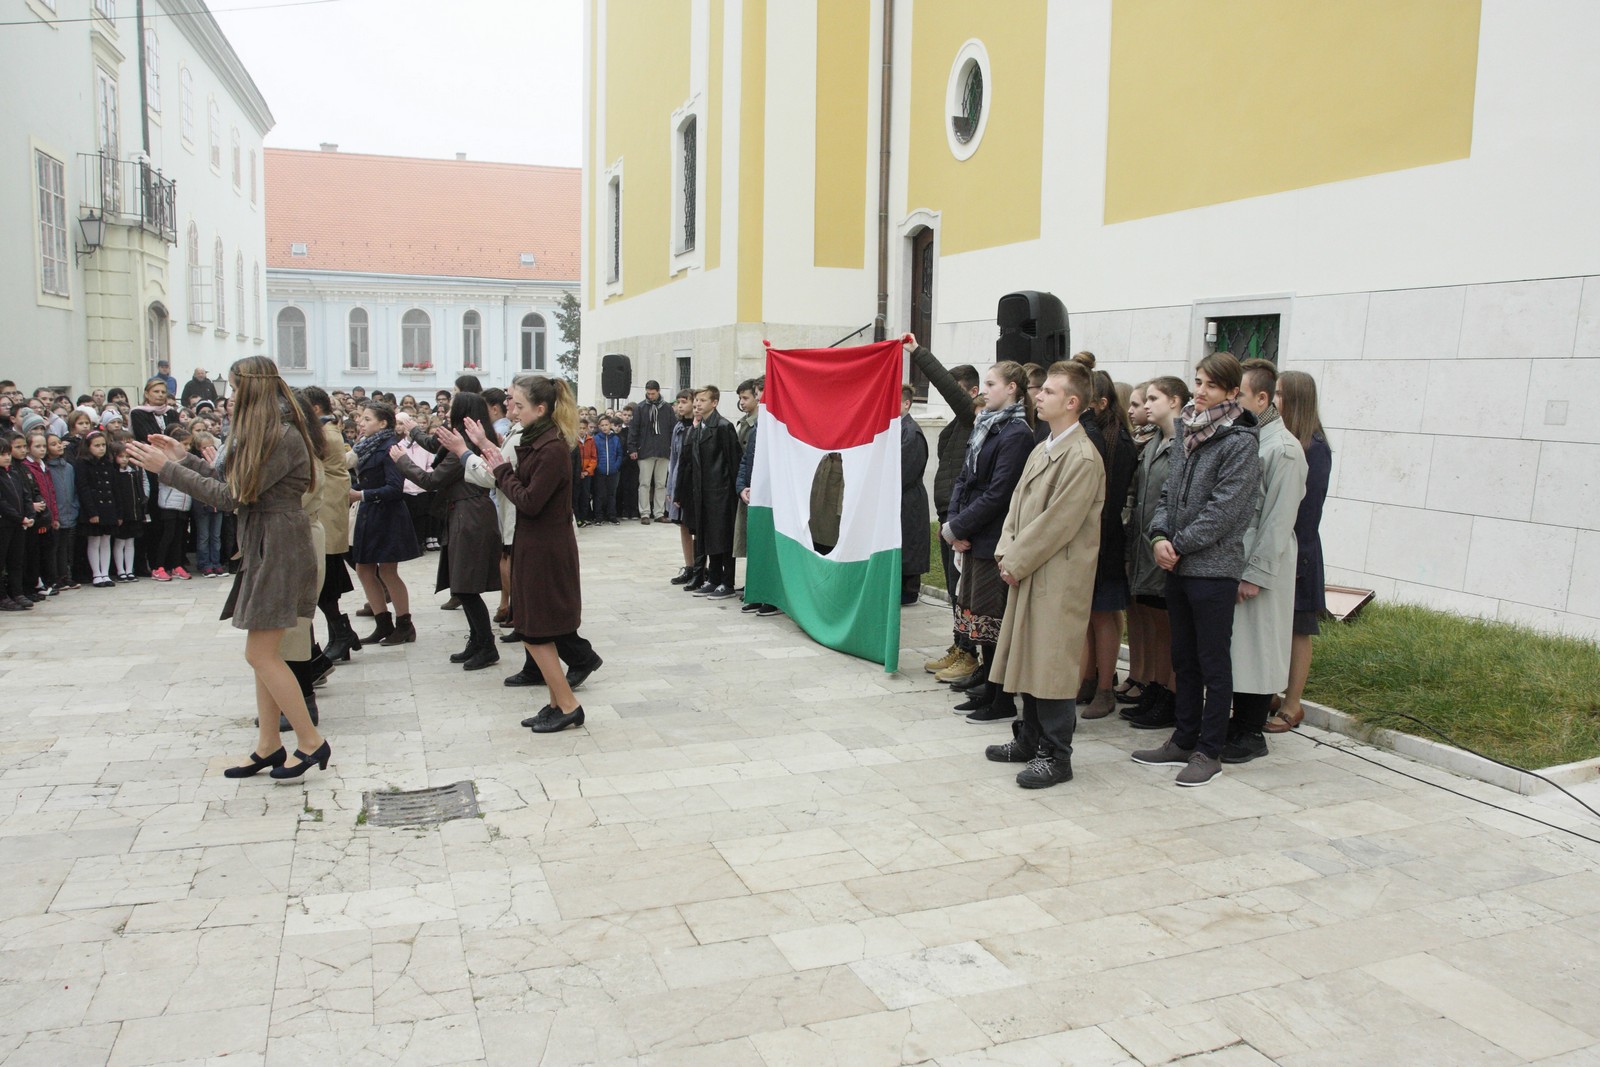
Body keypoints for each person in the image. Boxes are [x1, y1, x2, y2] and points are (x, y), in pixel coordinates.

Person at [126, 355, 329, 781]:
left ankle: (311, 742)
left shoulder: (281, 435)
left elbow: (232, 497)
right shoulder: (268, 431)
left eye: (235, 388)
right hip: (266, 541)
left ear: (252, 387)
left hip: (279, 544)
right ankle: (269, 745)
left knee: (260, 653)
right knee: (264, 654)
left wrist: (169, 470)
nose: (230, 396)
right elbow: (235, 487)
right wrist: (183, 459)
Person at [1133, 351, 1261, 788]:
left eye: (1210, 385)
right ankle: (1183, 738)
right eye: (1198, 381)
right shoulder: (1189, 429)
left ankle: (1210, 748)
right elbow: (1169, 494)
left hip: (1212, 569)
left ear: (1231, 392)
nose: (1201, 391)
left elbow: (1225, 511)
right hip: (1178, 565)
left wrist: (1179, 545)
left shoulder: (1240, 442)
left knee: (1212, 661)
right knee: (1183, 657)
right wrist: (1158, 537)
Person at [984, 360, 1104, 784]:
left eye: (1049, 392)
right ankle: (1029, 738)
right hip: (1027, 569)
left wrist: (1015, 561)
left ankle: (1057, 755)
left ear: (1072, 403)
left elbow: (1059, 522)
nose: (1039, 396)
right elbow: (1018, 504)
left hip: (1057, 575)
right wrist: (1005, 550)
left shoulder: (1083, 458)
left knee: (1051, 662)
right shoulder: (1045, 446)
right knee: (1028, 656)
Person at [472, 374, 590, 733]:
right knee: (537, 628)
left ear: (541, 409)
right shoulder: (536, 439)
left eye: (518, 404)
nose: (511, 409)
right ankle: (556, 702)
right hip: (534, 545)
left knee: (537, 631)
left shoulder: (552, 447)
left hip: (546, 550)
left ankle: (569, 705)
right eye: (510, 402)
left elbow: (530, 501)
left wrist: (501, 469)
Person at [1219, 358, 1308, 764]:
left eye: (1239, 394)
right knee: (1240, 648)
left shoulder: (1284, 449)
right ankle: (1238, 725)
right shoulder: (1252, 438)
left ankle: (1251, 731)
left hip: (1262, 563)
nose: (1234, 400)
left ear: (1262, 397)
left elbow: (1277, 519)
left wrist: (1255, 573)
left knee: (1257, 648)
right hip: (1238, 555)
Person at [941, 362, 1036, 717]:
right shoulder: (985, 425)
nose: (985, 390)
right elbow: (964, 479)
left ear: (1012, 388)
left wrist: (962, 527)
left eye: (992, 384)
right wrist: (954, 524)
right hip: (972, 535)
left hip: (993, 538)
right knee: (977, 617)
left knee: (992, 619)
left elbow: (999, 494)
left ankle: (1001, 698)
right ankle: (988, 687)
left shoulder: (1016, 433)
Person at [391, 392, 503, 671]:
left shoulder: (464, 447)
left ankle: (486, 645)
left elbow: (431, 480)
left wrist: (403, 461)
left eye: (453, 407)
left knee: (466, 587)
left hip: (470, 516)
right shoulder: (461, 441)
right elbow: (433, 444)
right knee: (462, 585)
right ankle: (478, 641)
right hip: (465, 513)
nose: (448, 411)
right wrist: (413, 428)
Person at [904, 335, 984, 682]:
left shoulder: (973, 419)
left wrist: (918, 353)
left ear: (971, 391)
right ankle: (959, 645)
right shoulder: (958, 426)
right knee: (955, 591)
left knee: (965, 591)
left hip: (962, 521)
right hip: (949, 517)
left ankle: (969, 653)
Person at [1122, 376, 1190, 731]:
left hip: (1168, 548)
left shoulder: (1183, 442)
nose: (1146, 405)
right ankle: (1155, 685)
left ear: (1175, 401)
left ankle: (1171, 693)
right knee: (1151, 619)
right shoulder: (1154, 442)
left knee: (1168, 626)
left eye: (1153, 398)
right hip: (1145, 544)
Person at [1266, 369, 1332, 735]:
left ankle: (1293, 703)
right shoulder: (1283, 441)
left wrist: (1292, 555)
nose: (1273, 400)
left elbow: (1308, 509)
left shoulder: (1314, 448)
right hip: (1283, 546)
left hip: (1300, 550)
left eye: (1278, 393)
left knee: (1298, 629)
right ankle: (1274, 693)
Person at [1077, 370, 1137, 720]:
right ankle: (1087, 677)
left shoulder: (1116, 441)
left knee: (1103, 614)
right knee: (1086, 614)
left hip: (1107, 539)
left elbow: (1110, 500)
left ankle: (1104, 687)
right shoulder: (1094, 435)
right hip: (1092, 539)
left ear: (1101, 402)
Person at [348, 401, 421, 646]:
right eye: (361, 418)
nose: (361, 423)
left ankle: (404, 625)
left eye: (367, 419)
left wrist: (362, 494)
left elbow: (394, 488)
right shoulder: (365, 447)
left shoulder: (390, 447)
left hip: (387, 515)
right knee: (363, 568)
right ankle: (382, 623)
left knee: (388, 571)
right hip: (370, 513)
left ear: (383, 423)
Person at [678, 385, 742, 600]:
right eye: (696, 400)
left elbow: (734, 461)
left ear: (714, 403)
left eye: (703, 400)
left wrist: (735, 491)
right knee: (707, 537)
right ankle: (713, 578)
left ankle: (727, 581)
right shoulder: (698, 428)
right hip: (702, 493)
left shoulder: (723, 427)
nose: (697, 403)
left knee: (723, 538)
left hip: (721, 492)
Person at [665, 390, 701, 585]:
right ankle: (689, 566)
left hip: (693, 483)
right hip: (679, 481)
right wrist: (671, 488)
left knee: (698, 527)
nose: (680, 406)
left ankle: (701, 567)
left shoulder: (699, 427)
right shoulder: (678, 427)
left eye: (684, 402)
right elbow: (674, 459)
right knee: (683, 525)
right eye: (678, 402)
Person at [899, 384, 930, 606]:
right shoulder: (899, 428)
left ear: (906, 403)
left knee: (910, 542)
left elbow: (904, 469)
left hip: (908, 498)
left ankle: (909, 591)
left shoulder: (911, 432)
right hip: (901, 497)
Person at [76, 431, 118, 587]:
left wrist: (117, 511)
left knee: (106, 540)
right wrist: (92, 512)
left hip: (108, 507)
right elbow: (83, 488)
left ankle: (105, 573)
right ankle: (96, 574)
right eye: (97, 445)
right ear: (88, 447)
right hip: (93, 507)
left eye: (103, 445)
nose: (101, 449)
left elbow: (114, 487)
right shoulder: (82, 463)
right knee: (94, 541)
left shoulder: (107, 462)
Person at [0, 434, 37, 610]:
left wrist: (29, 515)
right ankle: (2, 597)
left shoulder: (14, 472)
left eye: (8, 453)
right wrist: (19, 517)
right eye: (2, 454)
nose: (7, 457)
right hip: (5, 524)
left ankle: (17, 592)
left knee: (16, 560)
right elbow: (2, 503)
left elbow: (25, 495)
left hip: (19, 524)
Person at [629, 381, 674, 523]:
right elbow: (633, 429)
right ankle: (644, 513)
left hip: (663, 450)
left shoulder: (667, 408)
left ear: (658, 391)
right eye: (648, 393)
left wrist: (672, 447)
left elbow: (672, 428)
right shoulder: (640, 408)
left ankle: (659, 512)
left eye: (653, 393)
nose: (651, 396)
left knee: (661, 483)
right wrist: (632, 448)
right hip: (645, 450)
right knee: (644, 483)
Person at [731, 378, 761, 584]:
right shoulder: (747, 421)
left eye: (746, 397)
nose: (742, 402)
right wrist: (741, 486)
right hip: (747, 486)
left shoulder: (759, 423)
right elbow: (744, 458)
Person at [44, 434, 79, 591]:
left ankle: (65, 576)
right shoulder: (46, 469)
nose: (58, 446)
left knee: (65, 546)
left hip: (68, 511)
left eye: (59, 443)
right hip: (54, 514)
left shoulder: (69, 467)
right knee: (54, 547)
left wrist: (74, 507)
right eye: (53, 444)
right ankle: (55, 577)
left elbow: (73, 490)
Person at [110, 441, 146, 582]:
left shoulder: (133, 472)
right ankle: (120, 570)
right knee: (120, 542)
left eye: (126, 456)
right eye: (121, 456)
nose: (124, 459)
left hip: (134, 512)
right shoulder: (115, 474)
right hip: (122, 514)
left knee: (130, 542)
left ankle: (129, 570)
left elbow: (139, 492)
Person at [590, 414, 623, 525]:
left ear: (610, 425)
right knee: (599, 494)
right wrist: (598, 466)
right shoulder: (595, 439)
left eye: (607, 425)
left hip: (613, 471)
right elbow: (594, 454)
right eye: (602, 425)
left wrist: (616, 466)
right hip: (600, 471)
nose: (604, 427)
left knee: (611, 494)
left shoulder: (615, 439)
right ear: (599, 426)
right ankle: (599, 516)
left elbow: (619, 454)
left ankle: (612, 515)